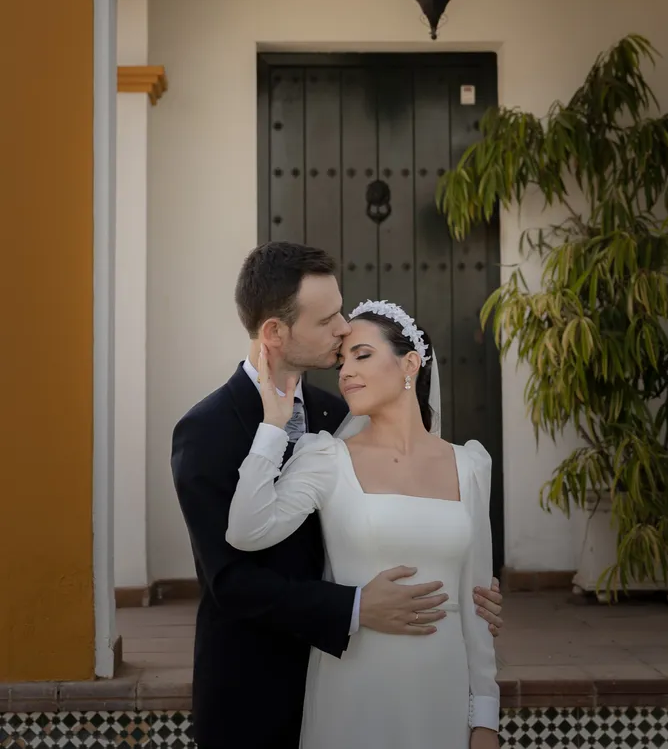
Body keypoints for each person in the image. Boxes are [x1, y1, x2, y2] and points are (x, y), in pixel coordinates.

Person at [172, 242, 503, 749]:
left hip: (393, 673)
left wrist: (465, 587)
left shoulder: (338, 415)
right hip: (258, 687)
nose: (344, 327)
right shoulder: (205, 430)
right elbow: (231, 580)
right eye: (328, 320)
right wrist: (353, 607)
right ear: (275, 333)